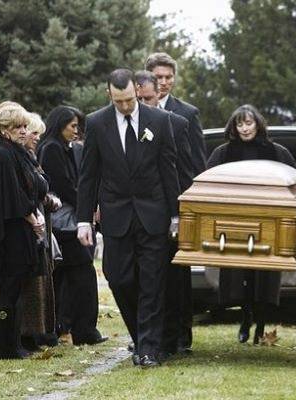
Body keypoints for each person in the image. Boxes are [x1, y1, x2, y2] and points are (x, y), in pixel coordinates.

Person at [77, 68, 180, 368]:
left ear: (136, 90)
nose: (124, 106)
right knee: (118, 278)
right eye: (118, 101)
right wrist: (84, 219)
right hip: (116, 215)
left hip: (153, 214)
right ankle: (141, 335)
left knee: (151, 282)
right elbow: (89, 174)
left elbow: (168, 169)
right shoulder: (96, 123)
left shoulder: (159, 121)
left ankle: (148, 348)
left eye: (129, 100)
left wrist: (175, 214)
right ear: (109, 94)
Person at [207, 105, 296, 345]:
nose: (244, 128)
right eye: (240, 124)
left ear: (258, 124)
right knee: (241, 275)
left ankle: (261, 323)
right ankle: (246, 318)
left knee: (264, 276)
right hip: (235, 222)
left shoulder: (275, 151)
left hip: (268, 223)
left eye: (249, 123)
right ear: (234, 127)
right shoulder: (223, 153)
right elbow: (207, 181)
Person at [135, 69, 196, 355]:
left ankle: (171, 337)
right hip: (132, 212)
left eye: (147, 99)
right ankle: (146, 337)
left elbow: (186, 169)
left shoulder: (178, 122)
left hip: (166, 211)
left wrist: (182, 213)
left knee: (170, 279)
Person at [0, 102, 48, 359]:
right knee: (9, 289)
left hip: (20, 230)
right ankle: (7, 348)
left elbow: (30, 187)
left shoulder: (15, 152)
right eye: (17, 126)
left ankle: (14, 343)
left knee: (17, 287)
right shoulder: (1, 154)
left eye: (24, 126)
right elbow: (12, 195)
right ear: (3, 129)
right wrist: (32, 218)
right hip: (10, 232)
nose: (23, 131)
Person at [37, 106, 106, 346]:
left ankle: (64, 326)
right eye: (73, 126)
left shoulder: (60, 148)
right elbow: (64, 185)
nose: (76, 130)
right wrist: (87, 207)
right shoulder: (53, 148)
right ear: (61, 125)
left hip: (65, 221)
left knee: (66, 277)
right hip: (66, 223)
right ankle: (84, 329)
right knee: (83, 275)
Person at [19, 112, 62, 351]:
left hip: (41, 221)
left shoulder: (30, 157)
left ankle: (41, 330)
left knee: (43, 281)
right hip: (31, 225)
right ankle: (30, 333)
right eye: (34, 133)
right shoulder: (21, 158)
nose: (37, 138)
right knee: (33, 284)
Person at [145, 52, 207, 175]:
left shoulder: (188, 114)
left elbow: (198, 163)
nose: (164, 82)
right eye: (159, 77)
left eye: (168, 77)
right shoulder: (133, 109)